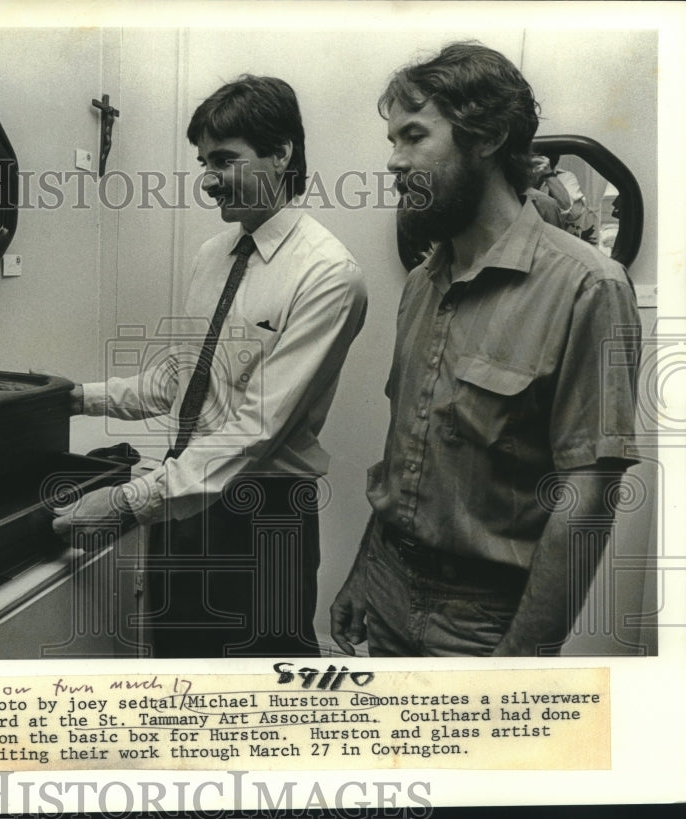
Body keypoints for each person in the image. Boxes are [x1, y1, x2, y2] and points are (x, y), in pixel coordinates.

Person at [330, 42, 640, 657]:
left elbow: (588, 496)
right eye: (392, 140)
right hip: (390, 589)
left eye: (414, 136)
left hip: (483, 622)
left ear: (489, 136)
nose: (394, 161)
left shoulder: (588, 287)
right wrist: (366, 569)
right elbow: (406, 452)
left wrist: (520, 663)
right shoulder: (423, 282)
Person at [53, 75, 367, 658]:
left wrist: (127, 502)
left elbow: (256, 429)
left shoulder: (328, 275)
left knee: (258, 693)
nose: (207, 180)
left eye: (224, 159)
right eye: (203, 161)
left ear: (281, 154)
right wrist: (71, 397)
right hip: (182, 500)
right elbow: (179, 383)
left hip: (264, 514)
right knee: (179, 664)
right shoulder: (211, 255)